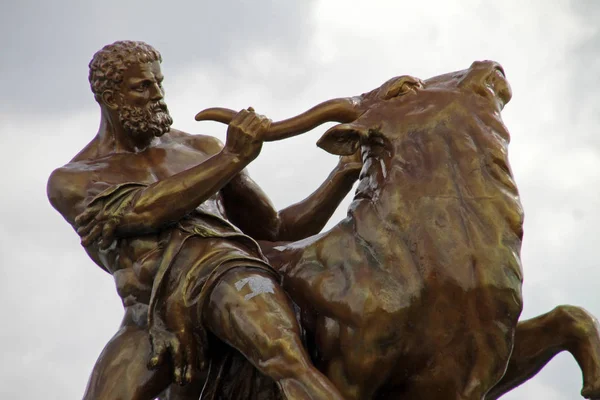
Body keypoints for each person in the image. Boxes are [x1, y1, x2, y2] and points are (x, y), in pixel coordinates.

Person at [47, 40, 361, 400]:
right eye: (142, 87)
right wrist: (231, 158)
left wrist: (345, 172)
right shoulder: (74, 179)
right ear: (109, 97)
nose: (157, 95)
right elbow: (144, 211)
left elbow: (275, 229)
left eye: (159, 83)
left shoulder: (199, 150)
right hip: (148, 314)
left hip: (227, 270)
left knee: (285, 359)